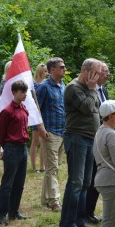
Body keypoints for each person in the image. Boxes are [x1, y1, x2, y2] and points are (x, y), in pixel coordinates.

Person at [59, 58, 101, 227]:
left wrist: (92, 90)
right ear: (85, 69)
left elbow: (96, 108)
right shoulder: (73, 87)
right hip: (77, 138)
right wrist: (92, 89)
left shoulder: (91, 88)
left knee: (85, 182)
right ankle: (67, 224)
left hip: (90, 139)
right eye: (95, 72)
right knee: (75, 183)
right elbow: (86, 107)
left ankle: (79, 220)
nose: (97, 77)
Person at [0, 80, 30, 226]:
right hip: (12, 147)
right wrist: (6, 148)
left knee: (19, 182)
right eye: (22, 92)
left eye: (25, 92)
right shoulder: (7, 111)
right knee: (7, 183)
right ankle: (1, 214)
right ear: (14, 92)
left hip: (23, 148)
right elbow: (0, 133)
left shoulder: (24, 109)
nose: (24, 95)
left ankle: (14, 211)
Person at [35, 57, 66, 212]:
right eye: (61, 67)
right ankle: (55, 201)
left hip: (63, 132)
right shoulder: (43, 87)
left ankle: (45, 199)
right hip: (50, 132)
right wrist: (40, 128)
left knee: (54, 168)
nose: (64, 69)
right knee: (52, 168)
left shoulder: (63, 86)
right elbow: (35, 110)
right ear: (52, 70)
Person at [85, 61, 110, 224]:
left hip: (102, 138)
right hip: (90, 138)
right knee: (90, 177)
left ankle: (90, 211)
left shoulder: (104, 91)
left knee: (98, 176)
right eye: (104, 71)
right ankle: (84, 212)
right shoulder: (88, 90)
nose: (107, 74)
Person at [30, 63, 48, 173]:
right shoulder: (34, 85)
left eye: (46, 71)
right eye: (44, 71)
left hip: (44, 116)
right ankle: (33, 166)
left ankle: (42, 166)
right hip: (36, 116)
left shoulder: (46, 84)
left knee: (43, 141)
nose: (46, 73)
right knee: (35, 141)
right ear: (40, 72)